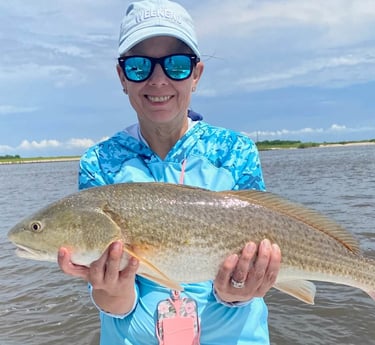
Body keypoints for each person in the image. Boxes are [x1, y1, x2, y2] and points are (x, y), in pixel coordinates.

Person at [57, 1, 282, 344]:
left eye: (176, 65)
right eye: (138, 66)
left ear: (196, 75)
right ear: (122, 77)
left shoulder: (234, 151)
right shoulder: (100, 162)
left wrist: (237, 290)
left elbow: (252, 276)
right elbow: (112, 301)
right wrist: (111, 291)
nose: (158, 80)